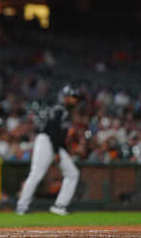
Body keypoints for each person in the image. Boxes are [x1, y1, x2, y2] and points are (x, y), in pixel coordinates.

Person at [15, 85, 82, 216]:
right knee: (37, 173)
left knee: (72, 173)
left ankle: (60, 205)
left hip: (55, 144)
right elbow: (52, 130)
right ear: (66, 96)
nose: (75, 100)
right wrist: (56, 151)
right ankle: (21, 206)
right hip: (46, 141)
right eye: (73, 97)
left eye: (75, 97)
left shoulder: (66, 111)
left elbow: (60, 134)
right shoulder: (59, 108)